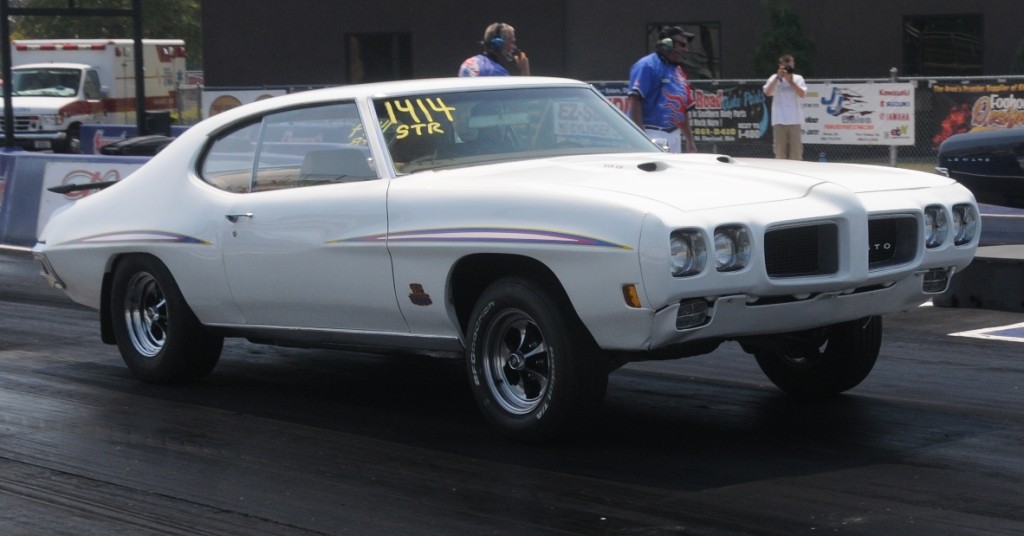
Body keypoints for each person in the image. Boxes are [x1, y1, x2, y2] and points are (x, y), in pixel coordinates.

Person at [627, 26, 698, 153]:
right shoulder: (646, 65)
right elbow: (634, 99)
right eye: (681, 45)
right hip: (650, 132)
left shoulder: (678, 71)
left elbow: (683, 109)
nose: (685, 49)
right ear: (667, 44)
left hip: (674, 134)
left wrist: (690, 141)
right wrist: (641, 138)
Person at [763, 54, 807, 160]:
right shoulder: (774, 78)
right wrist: (778, 77)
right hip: (779, 120)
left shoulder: (798, 78)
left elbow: (802, 94)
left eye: (790, 64)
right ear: (780, 65)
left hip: (794, 121)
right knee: (780, 154)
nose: (788, 67)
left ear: (793, 64)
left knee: (796, 154)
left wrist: (790, 81)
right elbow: (768, 92)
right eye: (785, 64)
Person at [458, 22, 530, 77]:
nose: (514, 47)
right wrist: (524, 70)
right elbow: (523, 95)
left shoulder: (467, 63)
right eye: (512, 42)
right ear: (498, 43)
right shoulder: (497, 73)